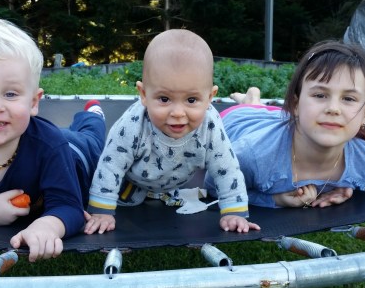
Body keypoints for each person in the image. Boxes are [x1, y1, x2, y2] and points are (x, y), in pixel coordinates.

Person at [0, 18, 106, 262]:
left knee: (91, 136)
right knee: (58, 133)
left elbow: (70, 208)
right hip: (42, 135)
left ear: (33, 102)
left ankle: (93, 114)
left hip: (76, 153)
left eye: (11, 94)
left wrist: (47, 226)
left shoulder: (51, 147)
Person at [83, 29, 260, 235]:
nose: (177, 113)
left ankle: (159, 193)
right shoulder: (133, 124)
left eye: (191, 100)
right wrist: (101, 212)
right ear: (144, 94)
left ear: (210, 97)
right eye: (164, 99)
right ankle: (92, 117)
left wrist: (234, 212)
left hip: (172, 183)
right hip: (131, 181)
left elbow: (227, 168)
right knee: (101, 172)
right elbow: (111, 164)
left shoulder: (210, 125)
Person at [206, 40, 365, 209]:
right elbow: (214, 186)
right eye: (320, 95)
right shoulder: (252, 156)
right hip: (242, 120)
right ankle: (250, 102)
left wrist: (346, 187)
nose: (333, 109)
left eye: (348, 98)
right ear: (295, 103)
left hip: (287, 119)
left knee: (280, 118)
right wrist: (273, 199)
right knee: (253, 109)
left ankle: (254, 99)